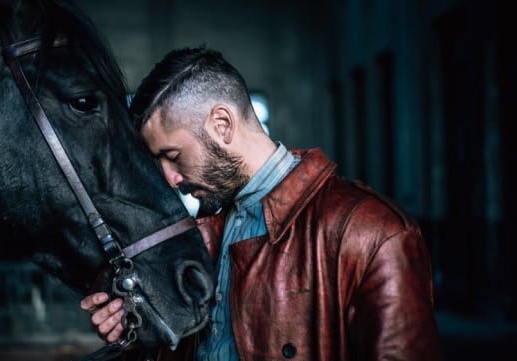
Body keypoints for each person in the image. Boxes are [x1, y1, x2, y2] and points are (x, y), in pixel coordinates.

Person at [80, 46, 442, 361]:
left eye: (173, 155)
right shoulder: (202, 233)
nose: (170, 178)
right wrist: (139, 331)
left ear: (222, 125)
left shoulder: (374, 233)